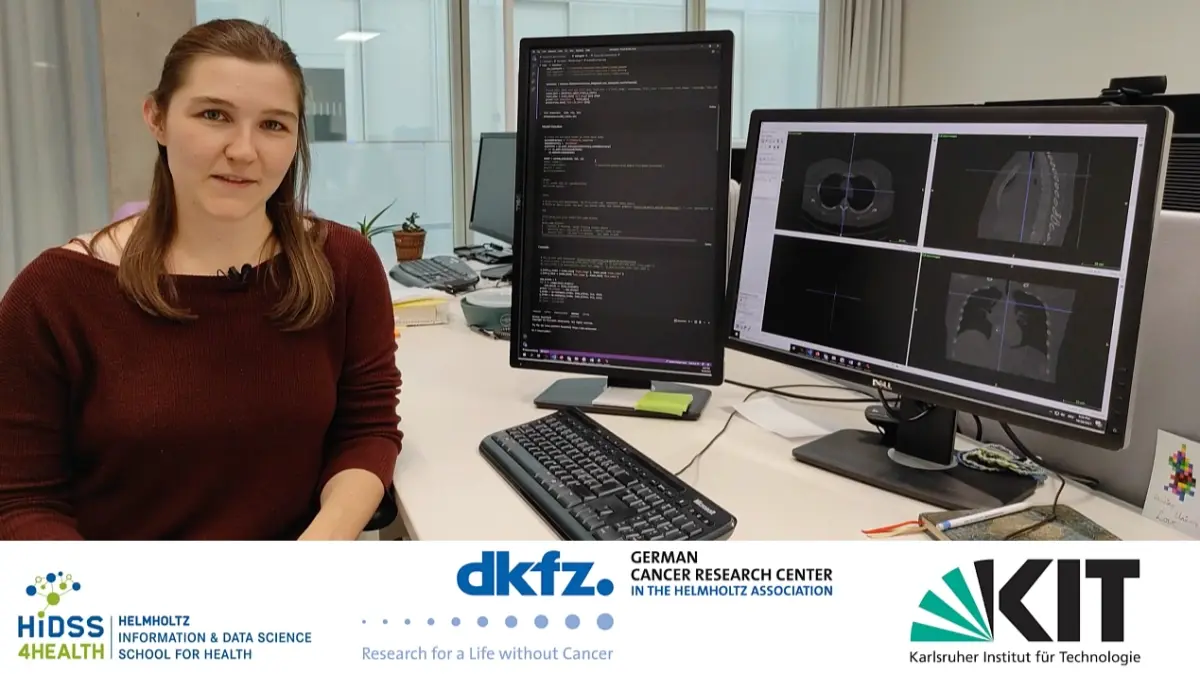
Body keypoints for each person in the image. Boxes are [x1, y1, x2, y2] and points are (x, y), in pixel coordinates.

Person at [0, 19, 403, 540]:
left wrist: (316, 551)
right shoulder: (55, 293)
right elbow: (21, 499)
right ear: (157, 118)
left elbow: (367, 429)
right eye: (214, 115)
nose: (244, 150)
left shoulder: (344, 263)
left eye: (273, 124)